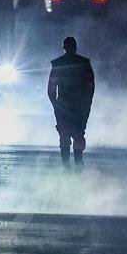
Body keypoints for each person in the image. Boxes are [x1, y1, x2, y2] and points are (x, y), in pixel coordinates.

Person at [47, 36, 95, 167]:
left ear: (64, 48)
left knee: (65, 135)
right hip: (79, 105)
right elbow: (90, 86)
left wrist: (55, 104)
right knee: (78, 134)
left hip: (64, 104)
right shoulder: (84, 63)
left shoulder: (58, 64)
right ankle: (77, 163)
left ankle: (66, 163)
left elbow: (51, 87)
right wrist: (87, 102)